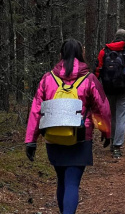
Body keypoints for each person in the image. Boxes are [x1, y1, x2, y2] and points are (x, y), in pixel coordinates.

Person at [25, 39, 111, 214]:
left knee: (62, 180)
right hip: (80, 137)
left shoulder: (47, 79)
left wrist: (31, 140)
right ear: (81, 54)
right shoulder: (89, 79)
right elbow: (101, 108)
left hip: (53, 135)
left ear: (60, 55)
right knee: (72, 182)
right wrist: (105, 130)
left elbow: (36, 109)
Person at [94, 29, 125, 159]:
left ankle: (112, 141)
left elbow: (97, 70)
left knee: (112, 116)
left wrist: (96, 88)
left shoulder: (104, 51)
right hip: (124, 90)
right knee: (121, 118)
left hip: (108, 89)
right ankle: (117, 146)